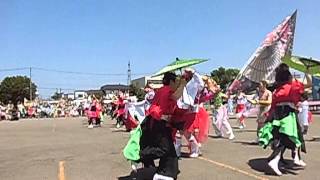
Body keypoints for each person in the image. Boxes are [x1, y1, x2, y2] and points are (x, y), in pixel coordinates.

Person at [258, 63, 312, 176]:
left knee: (283, 138)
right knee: (291, 137)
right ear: (288, 76)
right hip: (288, 115)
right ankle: (277, 160)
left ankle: (289, 158)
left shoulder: (277, 90)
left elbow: (273, 106)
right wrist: (307, 72)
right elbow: (309, 84)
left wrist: (268, 119)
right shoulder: (292, 85)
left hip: (277, 115)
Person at [138, 72, 186, 180]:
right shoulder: (166, 90)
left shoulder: (162, 90)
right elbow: (175, 96)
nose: (177, 84)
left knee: (170, 150)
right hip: (157, 123)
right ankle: (140, 155)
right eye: (176, 82)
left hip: (159, 122)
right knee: (163, 149)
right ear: (171, 81)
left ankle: (165, 173)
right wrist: (182, 84)